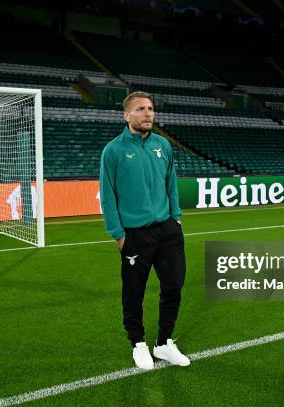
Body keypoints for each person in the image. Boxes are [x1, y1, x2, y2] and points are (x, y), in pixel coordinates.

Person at [100, 92, 190, 370]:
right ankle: (138, 344)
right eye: (140, 109)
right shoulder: (113, 150)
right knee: (134, 292)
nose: (148, 114)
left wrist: (176, 218)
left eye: (150, 109)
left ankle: (163, 343)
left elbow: (171, 183)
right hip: (135, 235)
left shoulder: (163, 145)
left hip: (167, 230)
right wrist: (118, 234)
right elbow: (107, 195)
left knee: (174, 286)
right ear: (127, 116)